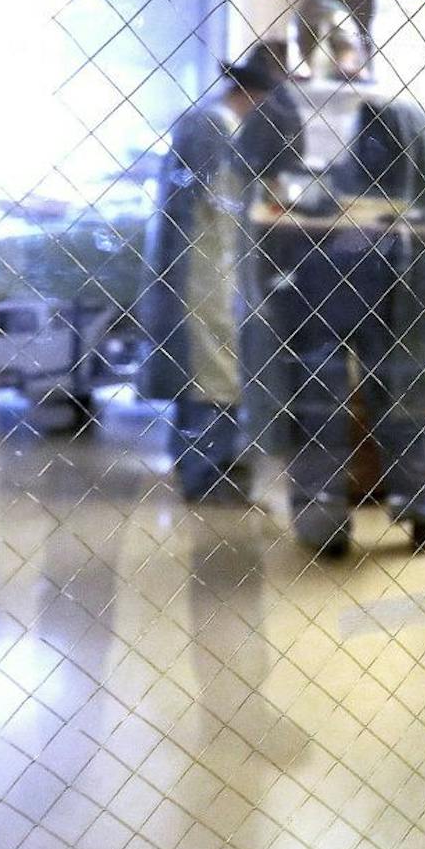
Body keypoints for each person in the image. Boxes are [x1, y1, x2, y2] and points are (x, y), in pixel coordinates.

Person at [267, 97, 425, 556]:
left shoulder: (364, 161)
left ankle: (322, 526)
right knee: (405, 408)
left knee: (319, 407)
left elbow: (331, 206)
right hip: (403, 298)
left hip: (332, 288)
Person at [139, 42, 303, 504]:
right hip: (203, 267)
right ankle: (208, 476)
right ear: (255, 95)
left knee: (208, 368)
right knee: (212, 369)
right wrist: (265, 203)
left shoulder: (214, 123)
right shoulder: (214, 125)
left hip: (210, 262)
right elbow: (217, 197)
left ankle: (201, 466)